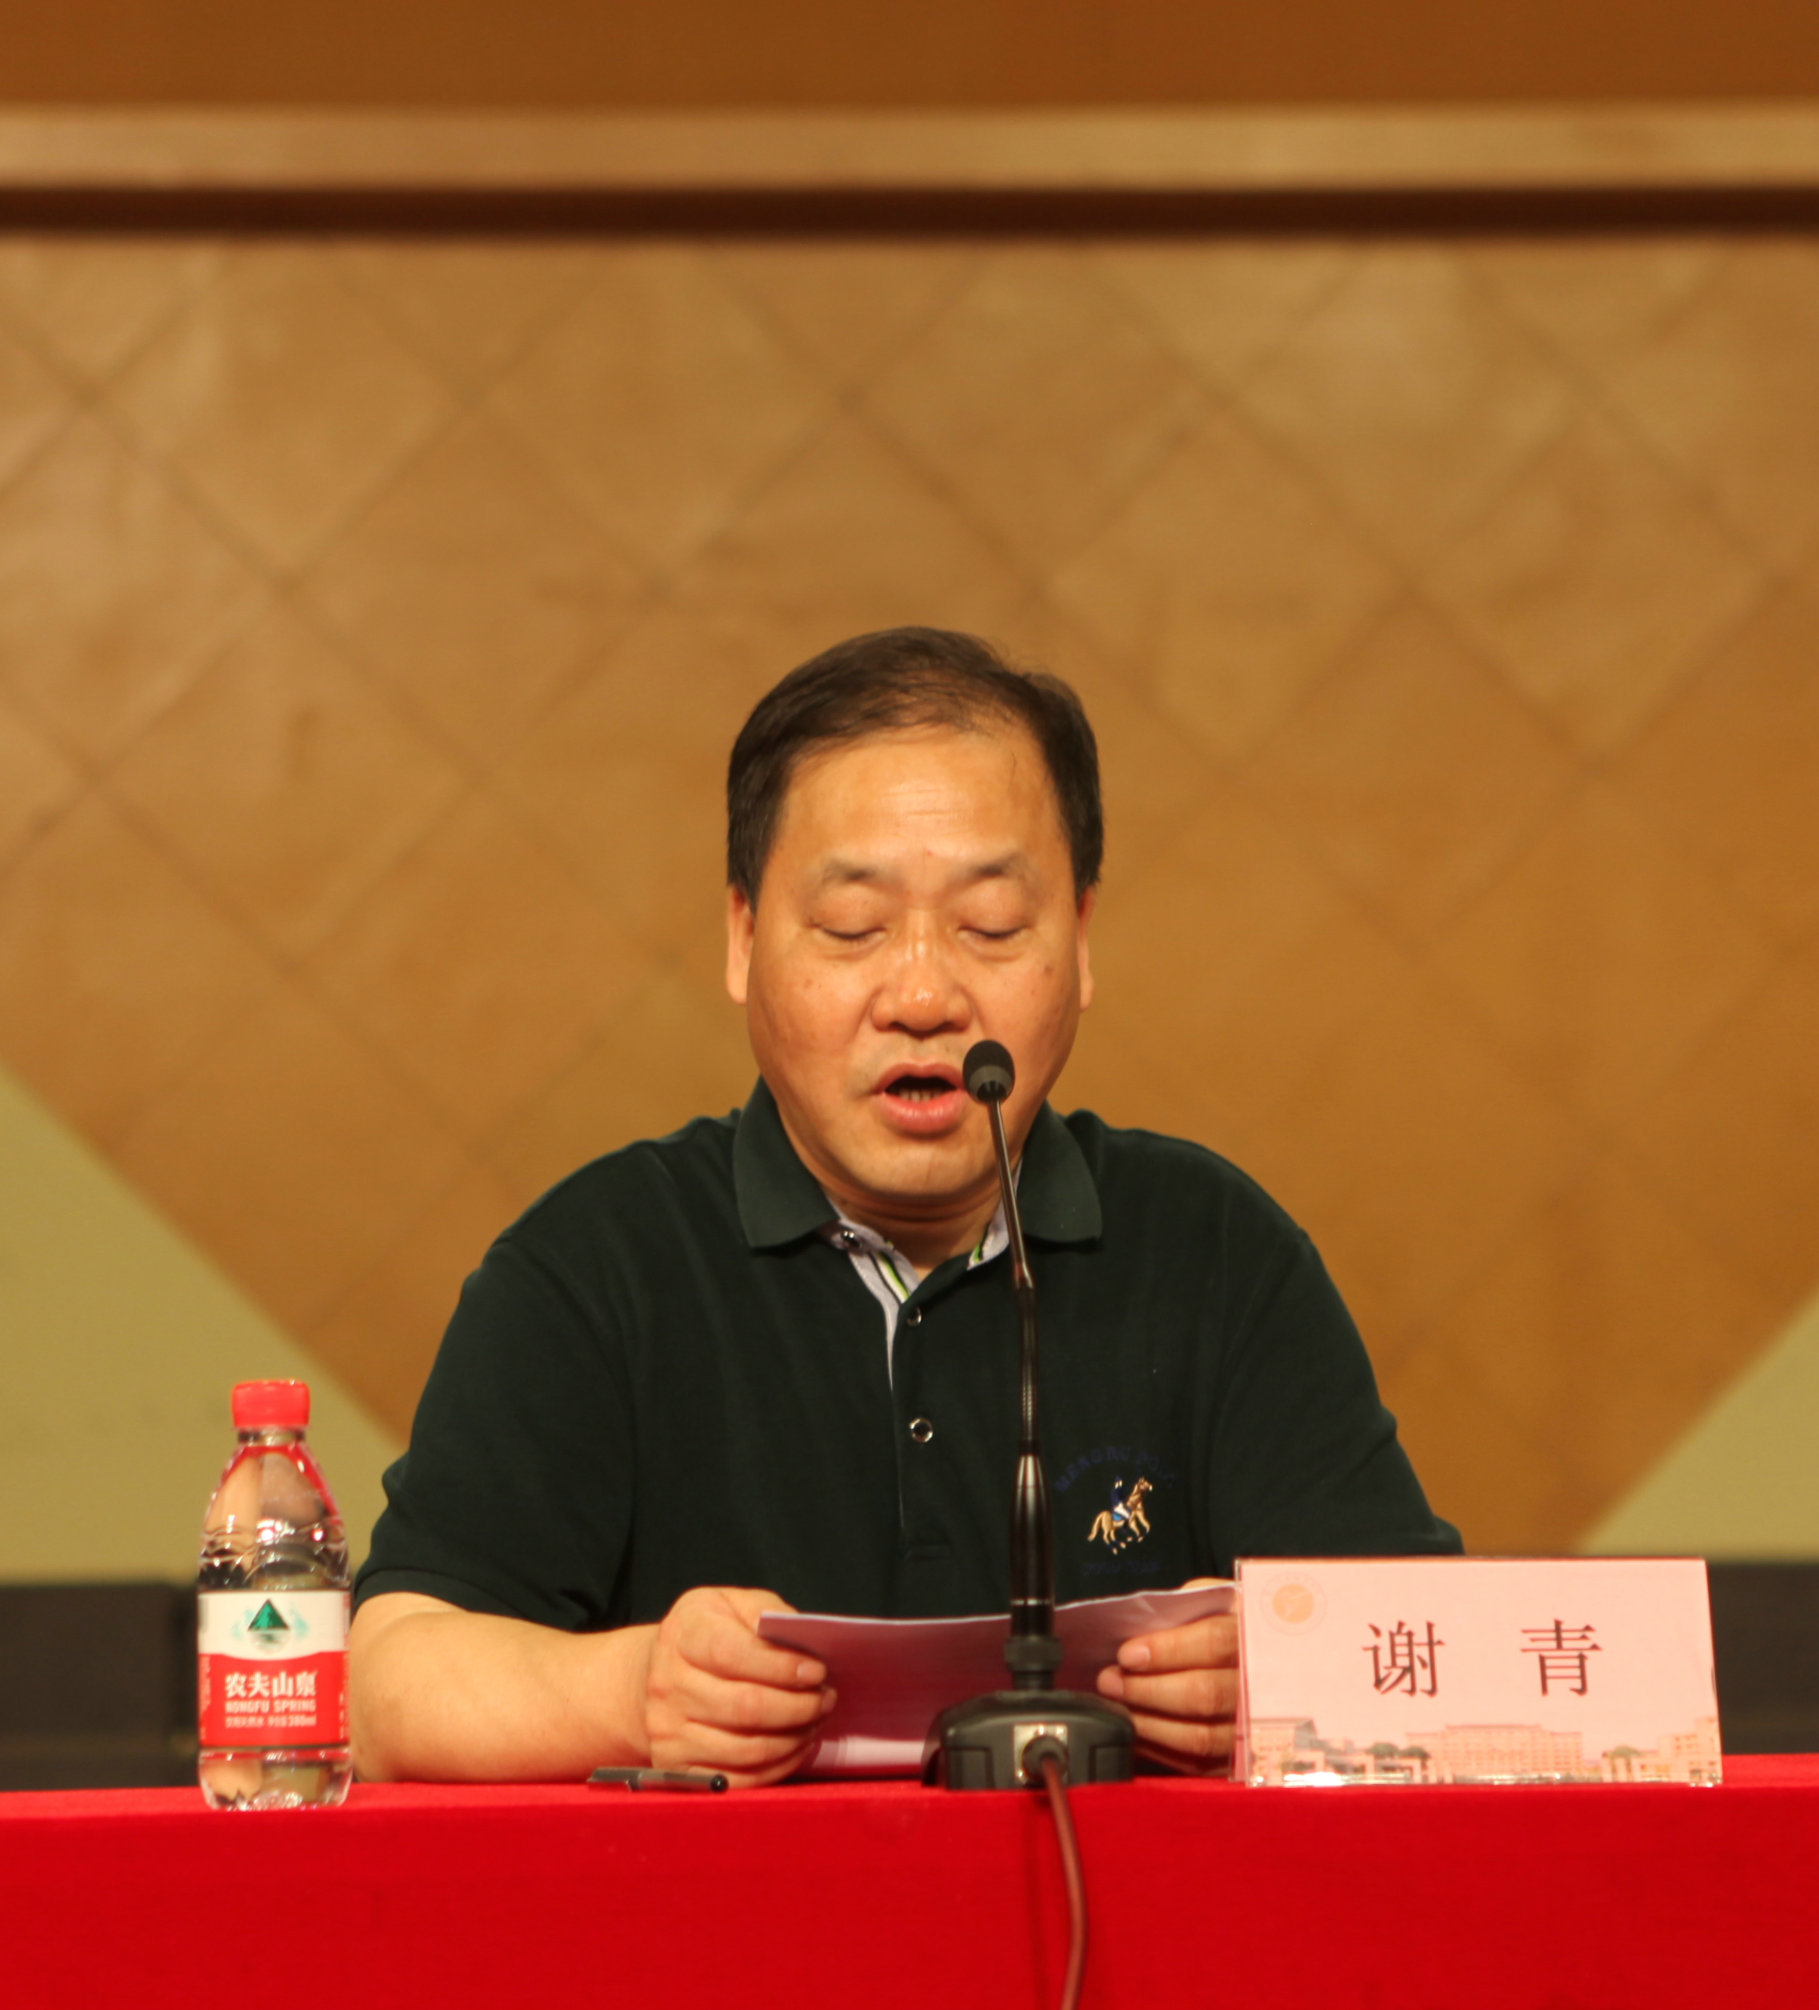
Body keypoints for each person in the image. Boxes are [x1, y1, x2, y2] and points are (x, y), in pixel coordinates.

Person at [349, 627, 1459, 1787]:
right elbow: (388, 1684)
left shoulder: (1214, 1250)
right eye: (852, 929)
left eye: (991, 927)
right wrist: (631, 1692)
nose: (923, 995)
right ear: (742, 939)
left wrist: (1288, 1676)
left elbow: (1437, 1658)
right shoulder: (596, 1264)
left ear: (1081, 944)